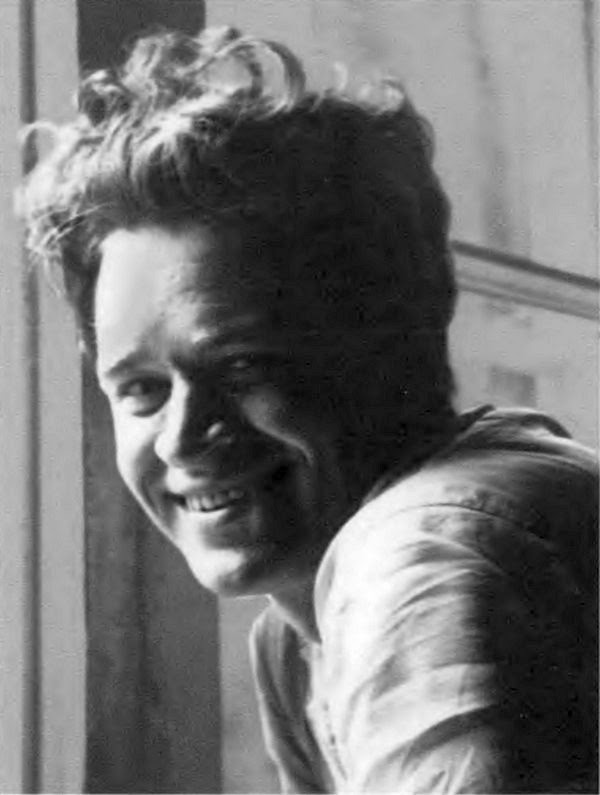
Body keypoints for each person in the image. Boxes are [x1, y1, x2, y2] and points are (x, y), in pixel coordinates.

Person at [18, 26, 597, 794]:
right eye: (142, 389)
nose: (182, 437)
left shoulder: (425, 554)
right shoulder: (295, 641)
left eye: (243, 365)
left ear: (391, 342)